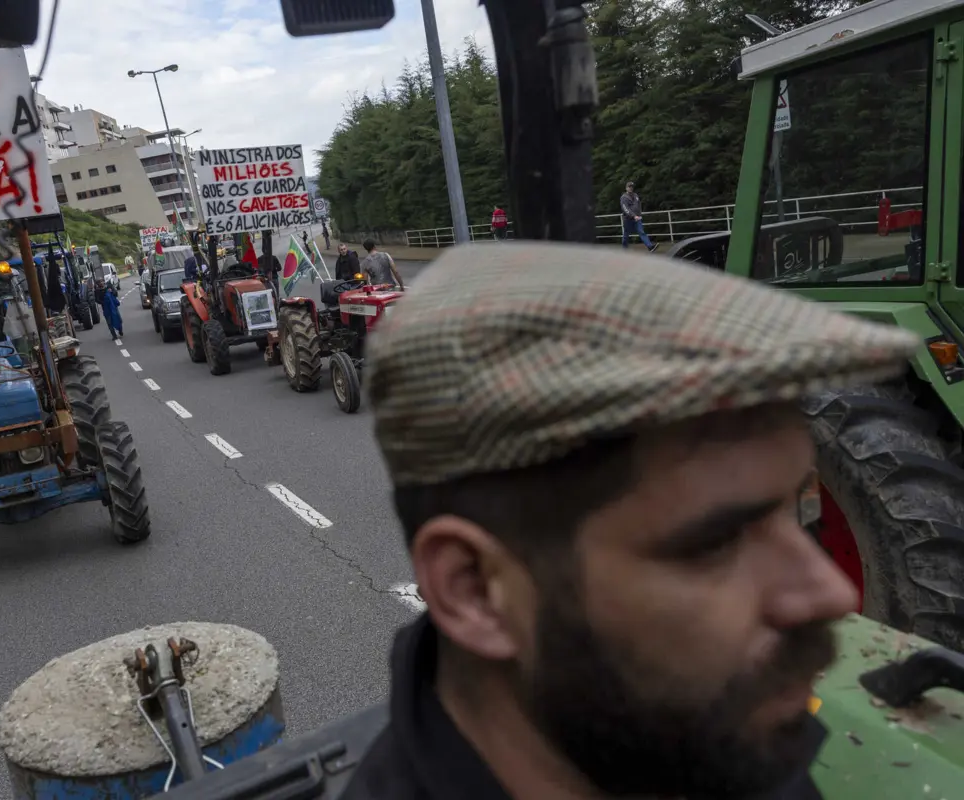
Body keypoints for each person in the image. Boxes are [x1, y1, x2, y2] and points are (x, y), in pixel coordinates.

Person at [342, 243, 917, 799]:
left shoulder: (724, 738)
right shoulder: (713, 726)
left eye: (799, 510)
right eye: (714, 543)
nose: (832, 594)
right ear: (475, 590)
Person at [621, 180, 658, 251]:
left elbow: (639, 205)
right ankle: (624, 249)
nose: (631, 188)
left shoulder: (635, 195)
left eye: (632, 187)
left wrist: (639, 215)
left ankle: (650, 247)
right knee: (626, 235)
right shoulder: (624, 197)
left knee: (641, 232)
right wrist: (633, 216)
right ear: (626, 188)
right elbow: (625, 208)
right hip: (628, 219)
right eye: (629, 187)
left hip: (637, 218)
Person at [99, 275, 123, 340]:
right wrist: (103, 301)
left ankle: (120, 330)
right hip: (106, 309)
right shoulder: (98, 291)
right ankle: (114, 335)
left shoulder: (109, 286)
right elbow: (97, 300)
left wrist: (112, 291)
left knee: (119, 319)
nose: (101, 283)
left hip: (113, 306)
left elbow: (116, 293)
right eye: (99, 282)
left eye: (102, 281)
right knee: (109, 323)